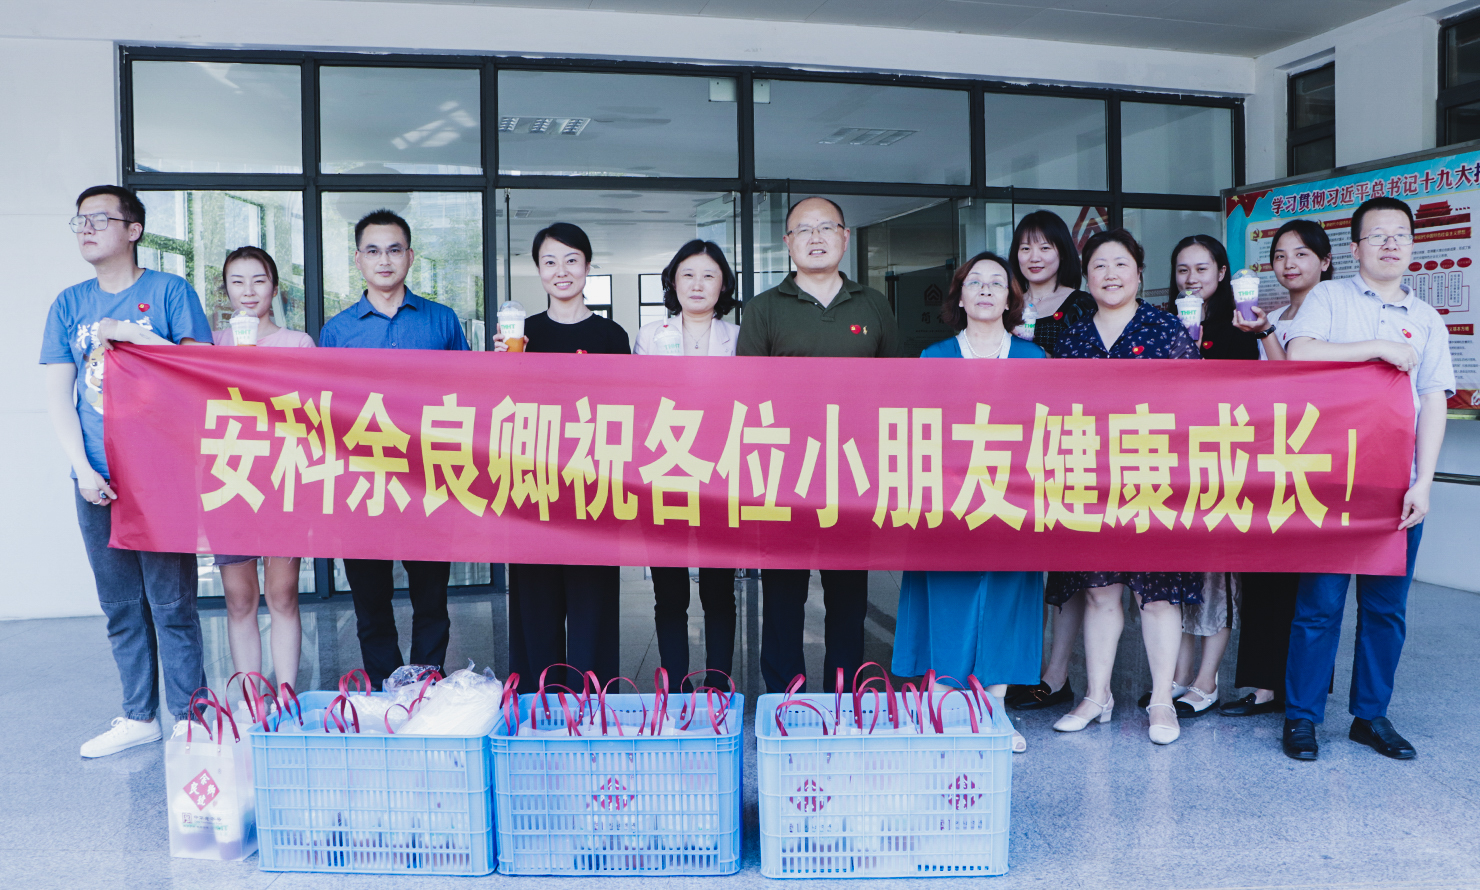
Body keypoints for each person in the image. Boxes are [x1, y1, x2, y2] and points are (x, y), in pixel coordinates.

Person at [1278, 197, 1454, 761]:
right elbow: (1300, 353)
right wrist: (1379, 348)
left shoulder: (1427, 319)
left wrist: (1424, 482)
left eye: (1400, 234)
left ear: (1412, 246)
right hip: (1331, 481)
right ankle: (1302, 717)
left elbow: (1433, 400)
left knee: (1386, 610)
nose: (1390, 243)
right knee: (1319, 605)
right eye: (1377, 235)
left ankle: (1370, 716)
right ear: (1354, 249)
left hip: (1396, 485)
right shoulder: (1330, 298)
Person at [41, 185, 214, 757]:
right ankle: (139, 716)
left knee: (172, 603)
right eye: (79, 220)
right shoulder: (69, 303)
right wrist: (81, 469)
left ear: (134, 230)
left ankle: (191, 715)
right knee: (119, 604)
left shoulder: (169, 291)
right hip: (95, 476)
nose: (86, 229)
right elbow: (59, 396)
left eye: (99, 218)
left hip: (161, 473)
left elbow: (196, 371)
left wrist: (135, 334)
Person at [737, 196, 899, 693]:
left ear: (845, 238)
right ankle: (785, 697)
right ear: (787, 243)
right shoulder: (763, 308)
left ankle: (844, 697)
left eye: (826, 227)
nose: (815, 237)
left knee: (848, 595)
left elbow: (897, 389)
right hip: (784, 474)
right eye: (803, 230)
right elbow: (746, 397)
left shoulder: (873, 304)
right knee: (782, 595)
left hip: (853, 473)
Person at [1047, 228, 1203, 745]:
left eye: (1120, 264)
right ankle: (1097, 696)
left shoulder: (1167, 329)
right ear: (1086, 277)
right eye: (1099, 266)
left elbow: (1194, 405)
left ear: (1139, 272)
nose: (1110, 275)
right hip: (1089, 481)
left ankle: (1161, 701)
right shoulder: (1072, 337)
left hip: (1154, 478)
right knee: (1099, 593)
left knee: (1156, 597)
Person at [892, 251, 1046, 753]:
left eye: (996, 283)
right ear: (959, 296)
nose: (985, 290)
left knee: (1005, 598)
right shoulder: (934, 357)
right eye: (974, 282)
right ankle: (941, 705)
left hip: (1012, 499)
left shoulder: (1034, 359)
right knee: (948, 595)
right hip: (949, 501)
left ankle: (994, 710)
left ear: (1010, 299)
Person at [319, 210, 469, 690]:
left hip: (429, 480)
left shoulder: (441, 321)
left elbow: (470, 395)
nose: (384, 260)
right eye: (373, 250)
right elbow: (326, 410)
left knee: (431, 598)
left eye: (394, 249)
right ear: (358, 260)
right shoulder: (337, 331)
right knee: (370, 600)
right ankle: (386, 689)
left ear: (410, 256)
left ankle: (428, 685)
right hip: (363, 483)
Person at [495, 222, 630, 692]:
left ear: (588, 266)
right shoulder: (521, 335)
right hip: (532, 491)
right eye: (550, 261)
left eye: (572, 260)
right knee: (535, 610)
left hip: (593, 491)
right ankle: (539, 706)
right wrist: (500, 368)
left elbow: (628, 412)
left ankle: (594, 706)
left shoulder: (612, 335)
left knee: (594, 610)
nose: (561, 271)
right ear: (538, 270)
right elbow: (498, 413)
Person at [1220, 219, 1332, 717]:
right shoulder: (1275, 314)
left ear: (1326, 261)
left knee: (1307, 583)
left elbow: (1295, 379)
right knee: (1263, 574)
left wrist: (1265, 333)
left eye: (1302, 254)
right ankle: (1263, 685)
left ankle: (1299, 688)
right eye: (1281, 256)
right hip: (1267, 456)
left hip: (1313, 458)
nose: (1289, 264)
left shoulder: (1331, 314)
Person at [633, 240, 741, 691]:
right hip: (666, 472)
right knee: (669, 593)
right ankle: (677, 684)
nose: (698, 284)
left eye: (709, 275)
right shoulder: (648, 335)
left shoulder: (740, 337)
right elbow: (639, 405)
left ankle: (717, 684)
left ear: (724, 285)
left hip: (722, 476)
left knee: (719, 591)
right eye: (688, 275)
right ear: (673, 283)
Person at [1158, 235, 1258, 718]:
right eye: (1183, 270)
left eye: (1202, 269)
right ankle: (1178, 675)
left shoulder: (1241, 324)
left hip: (1221, 465)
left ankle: (1207, 679)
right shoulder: (1163, 322)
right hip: (1171, 464)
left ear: (1221, 273)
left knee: (1218, 576)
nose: (1191, 279)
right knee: (1176, 572)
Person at [1001, 210, 1096, 713]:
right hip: (1010, 446)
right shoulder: (1004, 300)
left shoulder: (1082, 305)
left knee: (1065, 568)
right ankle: (1014, 668)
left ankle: (1055, 676)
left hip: (1065, 443)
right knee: (1017, 566)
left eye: (1045, 247)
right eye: (1024, 247)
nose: (1034, 257)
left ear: (1063, 251)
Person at [211, 246, 312, 691]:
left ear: (275, 287)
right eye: (237, 281)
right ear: (225, 290)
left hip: (282, 480)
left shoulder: (298, 343)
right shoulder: (209, 344)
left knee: (283, 595)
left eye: (258, 280)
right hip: (228, 481)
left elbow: (313, 413)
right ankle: (250, 698)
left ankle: (286, 694)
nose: (248, 291)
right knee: (239, 599)